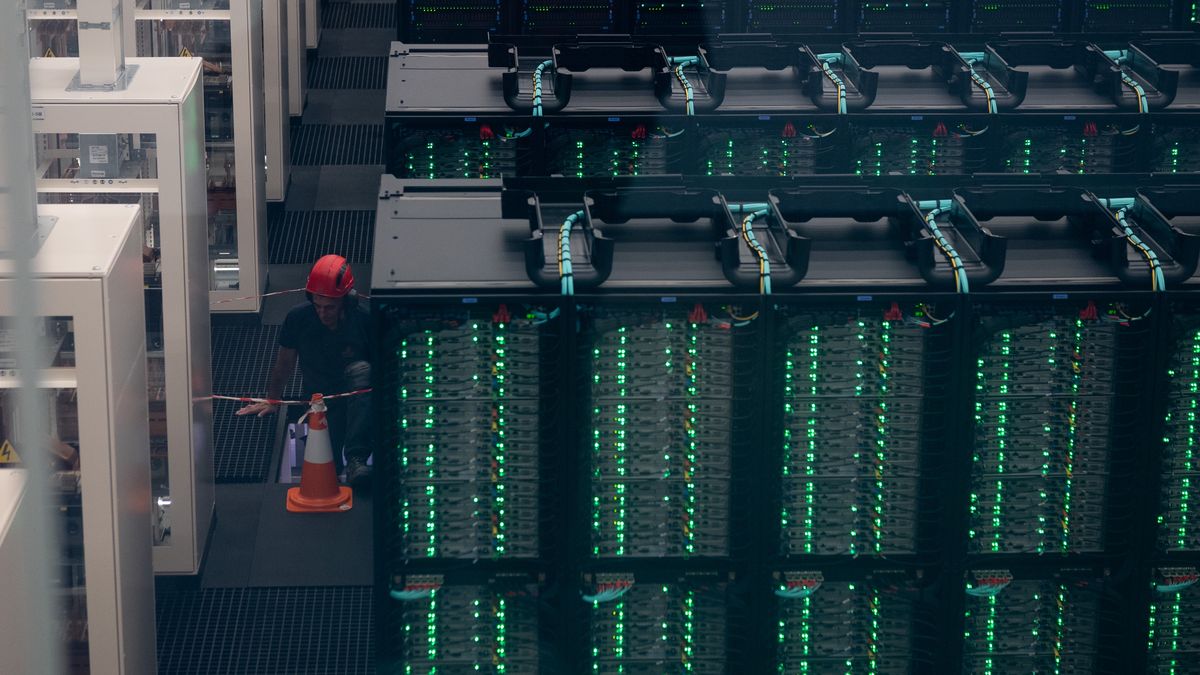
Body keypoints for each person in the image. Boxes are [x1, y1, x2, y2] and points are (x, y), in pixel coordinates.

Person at [236, 254, 373, 486]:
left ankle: (357, 459)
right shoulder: (298, 318)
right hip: (319, 399)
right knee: (327, 468)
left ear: (346, 301)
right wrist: (273, 400)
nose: (322, 313)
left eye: (330, 307)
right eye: (317, 306)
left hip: (357, 395)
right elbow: (285, 364)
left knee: (362, 370)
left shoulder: (364, 320)